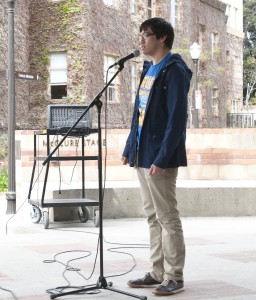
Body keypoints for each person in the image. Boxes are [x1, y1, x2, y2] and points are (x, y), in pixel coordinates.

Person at [121, 17, 192, 296]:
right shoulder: (148, 68)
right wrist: (130, 148)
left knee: (167, 217)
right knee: (152, 216)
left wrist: (162, 157)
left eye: (146, 35)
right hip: (142, 154)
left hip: (159, 158)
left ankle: (175, 276)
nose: (141, 40)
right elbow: (138, 114)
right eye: (140, 35)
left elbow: (177, 119)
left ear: (162, 38)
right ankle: (158, 271)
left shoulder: (174, 70)